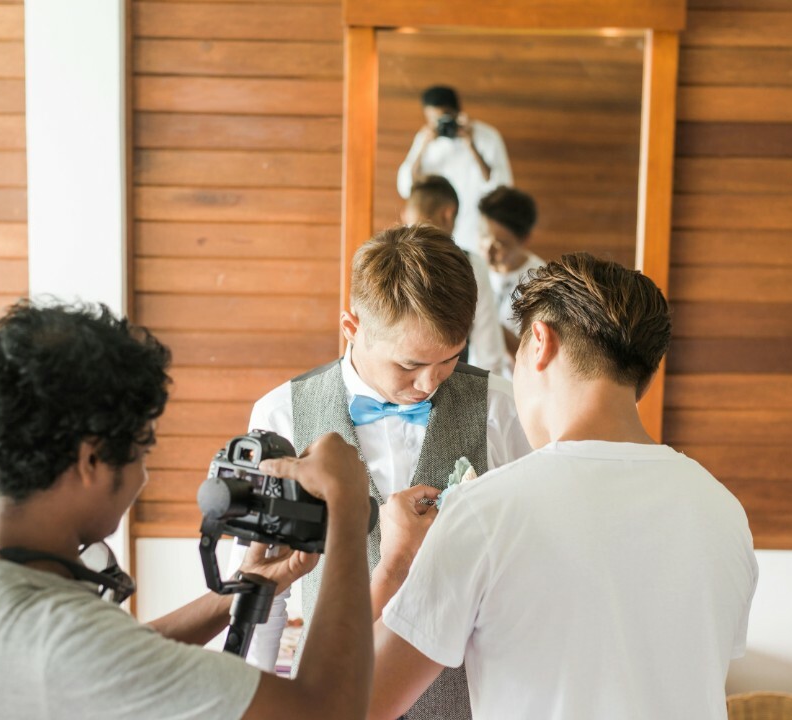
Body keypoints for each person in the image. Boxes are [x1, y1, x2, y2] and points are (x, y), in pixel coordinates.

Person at [0, 300, 375, 720]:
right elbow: (328, 710)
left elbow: (114, 656)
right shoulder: (56, 641)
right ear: (91, 460)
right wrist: (348, 512)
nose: (142, 477)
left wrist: (242, 592)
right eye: (139, 452)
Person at [368, 253, 759, 720]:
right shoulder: (723, 511)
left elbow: (361, 702)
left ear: (539, 342)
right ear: (647, 373)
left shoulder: (486, 510)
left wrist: (393, 566)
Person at [244, 225, 532, 720]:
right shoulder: (281, 416)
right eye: (410, 364)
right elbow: (263, 586)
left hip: (477, 702)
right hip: (336, 699)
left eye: (449, 359)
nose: (429, 383)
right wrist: (254, 699)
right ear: (352, 327)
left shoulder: (503, 408)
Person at [402, 175, 507, 376]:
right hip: (449, 386)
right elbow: (490, 353)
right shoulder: (471, 265)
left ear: (406, 212)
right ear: (448, 214)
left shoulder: (381, 260)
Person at [397, 85, 512, 254]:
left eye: (443, 119)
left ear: (457, 113)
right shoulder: (425, 139)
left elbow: (501, 187)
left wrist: (471, 145)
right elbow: (406, 187)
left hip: (475, 229)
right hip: (436, 230)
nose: (438, 125)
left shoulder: (487, 136)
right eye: (432, 120)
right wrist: (423, 147)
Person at [478, 185, 545, 373]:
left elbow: (535, 357)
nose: (488, 252)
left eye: (500, 244)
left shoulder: (540, 283)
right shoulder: (474, 267)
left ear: (525, 239)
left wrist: (485, 319)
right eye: (483, 237)